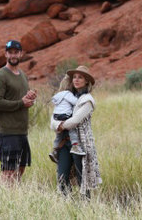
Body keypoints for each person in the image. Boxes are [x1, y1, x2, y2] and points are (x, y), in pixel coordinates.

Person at [0, 40, 37, 185]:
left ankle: (13, 200)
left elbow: (21, 99)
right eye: (10, 52)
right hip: (7, 132)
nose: (13, 55)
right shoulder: (0, 76)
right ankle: (1, 202)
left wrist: (29, 99)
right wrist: (20, 103)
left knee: (20, 169)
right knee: (8, 171)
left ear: (21, 53)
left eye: (16, 52)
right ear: (6, 54)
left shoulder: (22, 75)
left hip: (22, 131)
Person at [50, 66, 102, 196]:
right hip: (64, 142)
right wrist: (57, 124)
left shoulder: (88, 100)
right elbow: (53, 118)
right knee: (62, 177)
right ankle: (67, 206)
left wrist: (60, 125)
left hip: (81, 143)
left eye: (80, 77)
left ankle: (85, 209)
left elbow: (76, 120)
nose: (76, 80)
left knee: (82, 178)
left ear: (86, 81)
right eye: (74, 77)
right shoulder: (66, 96)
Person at [49, 86, 85, 163]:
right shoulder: (68, 94)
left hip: (56, 116)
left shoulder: (58, 95)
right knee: (72, 129)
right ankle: (75, 145)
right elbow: (76, 102)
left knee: (59, 134)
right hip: (65, 115)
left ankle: (55, 150)